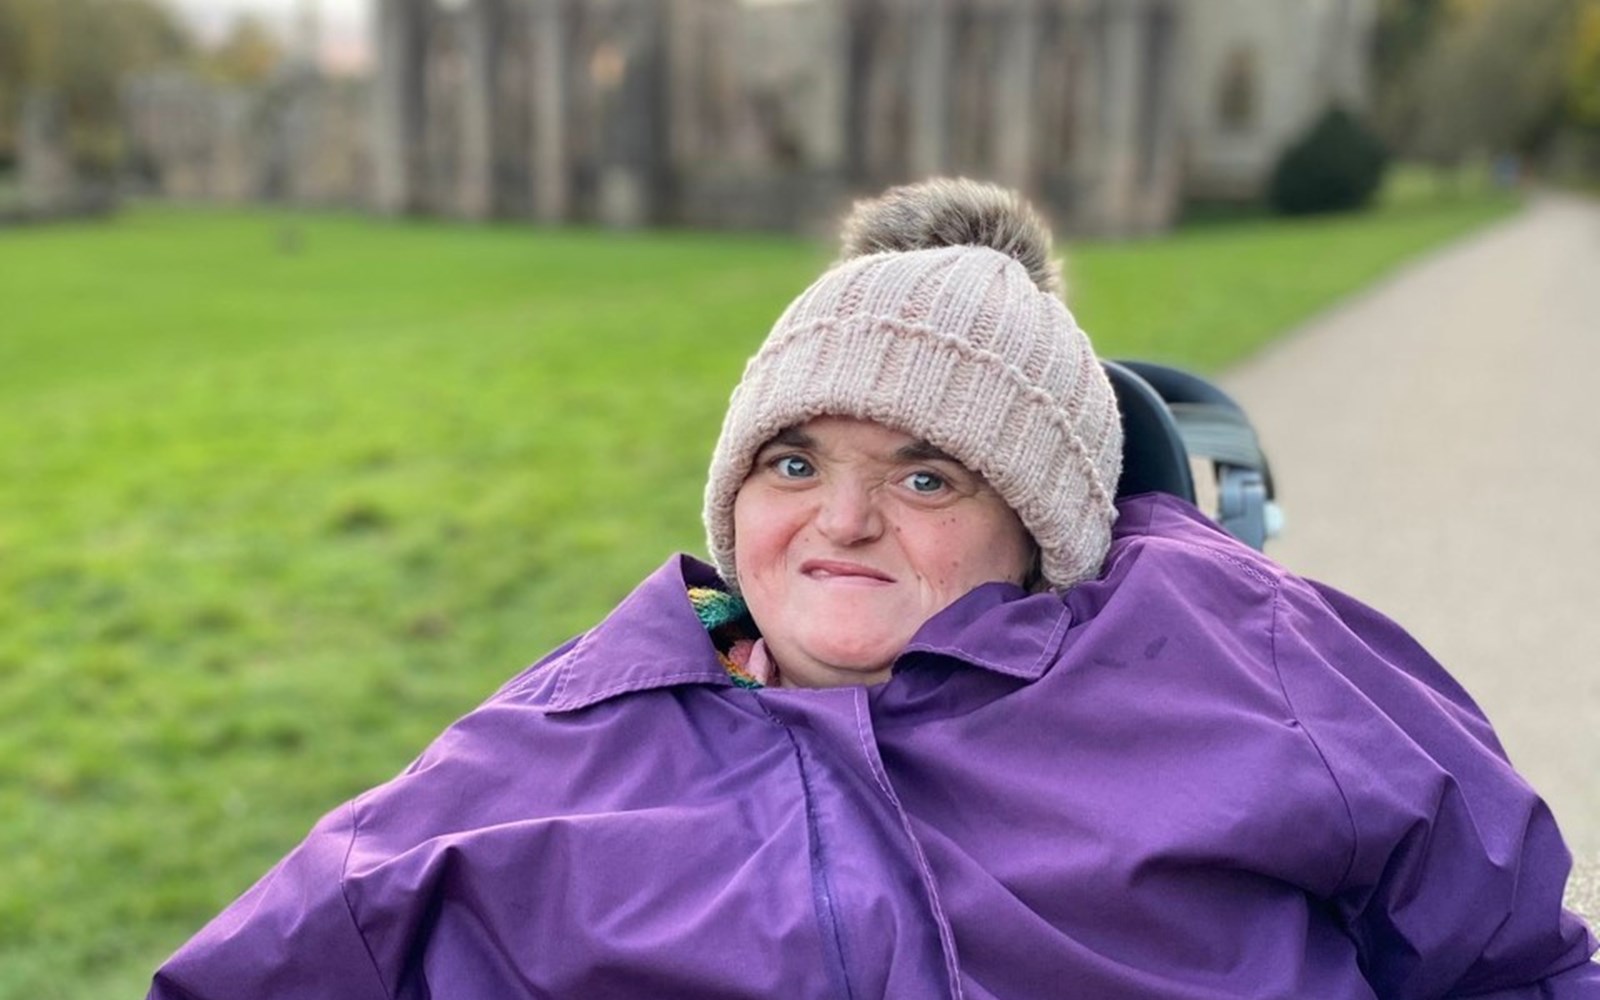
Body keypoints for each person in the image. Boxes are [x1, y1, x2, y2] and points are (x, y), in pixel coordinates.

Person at [148, 179, 1599, 999]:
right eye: (792, 462)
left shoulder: (1239, 660)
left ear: (1038, 525)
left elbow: (1515, 960)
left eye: (925, 477)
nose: (840, 522)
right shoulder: (554, 751)